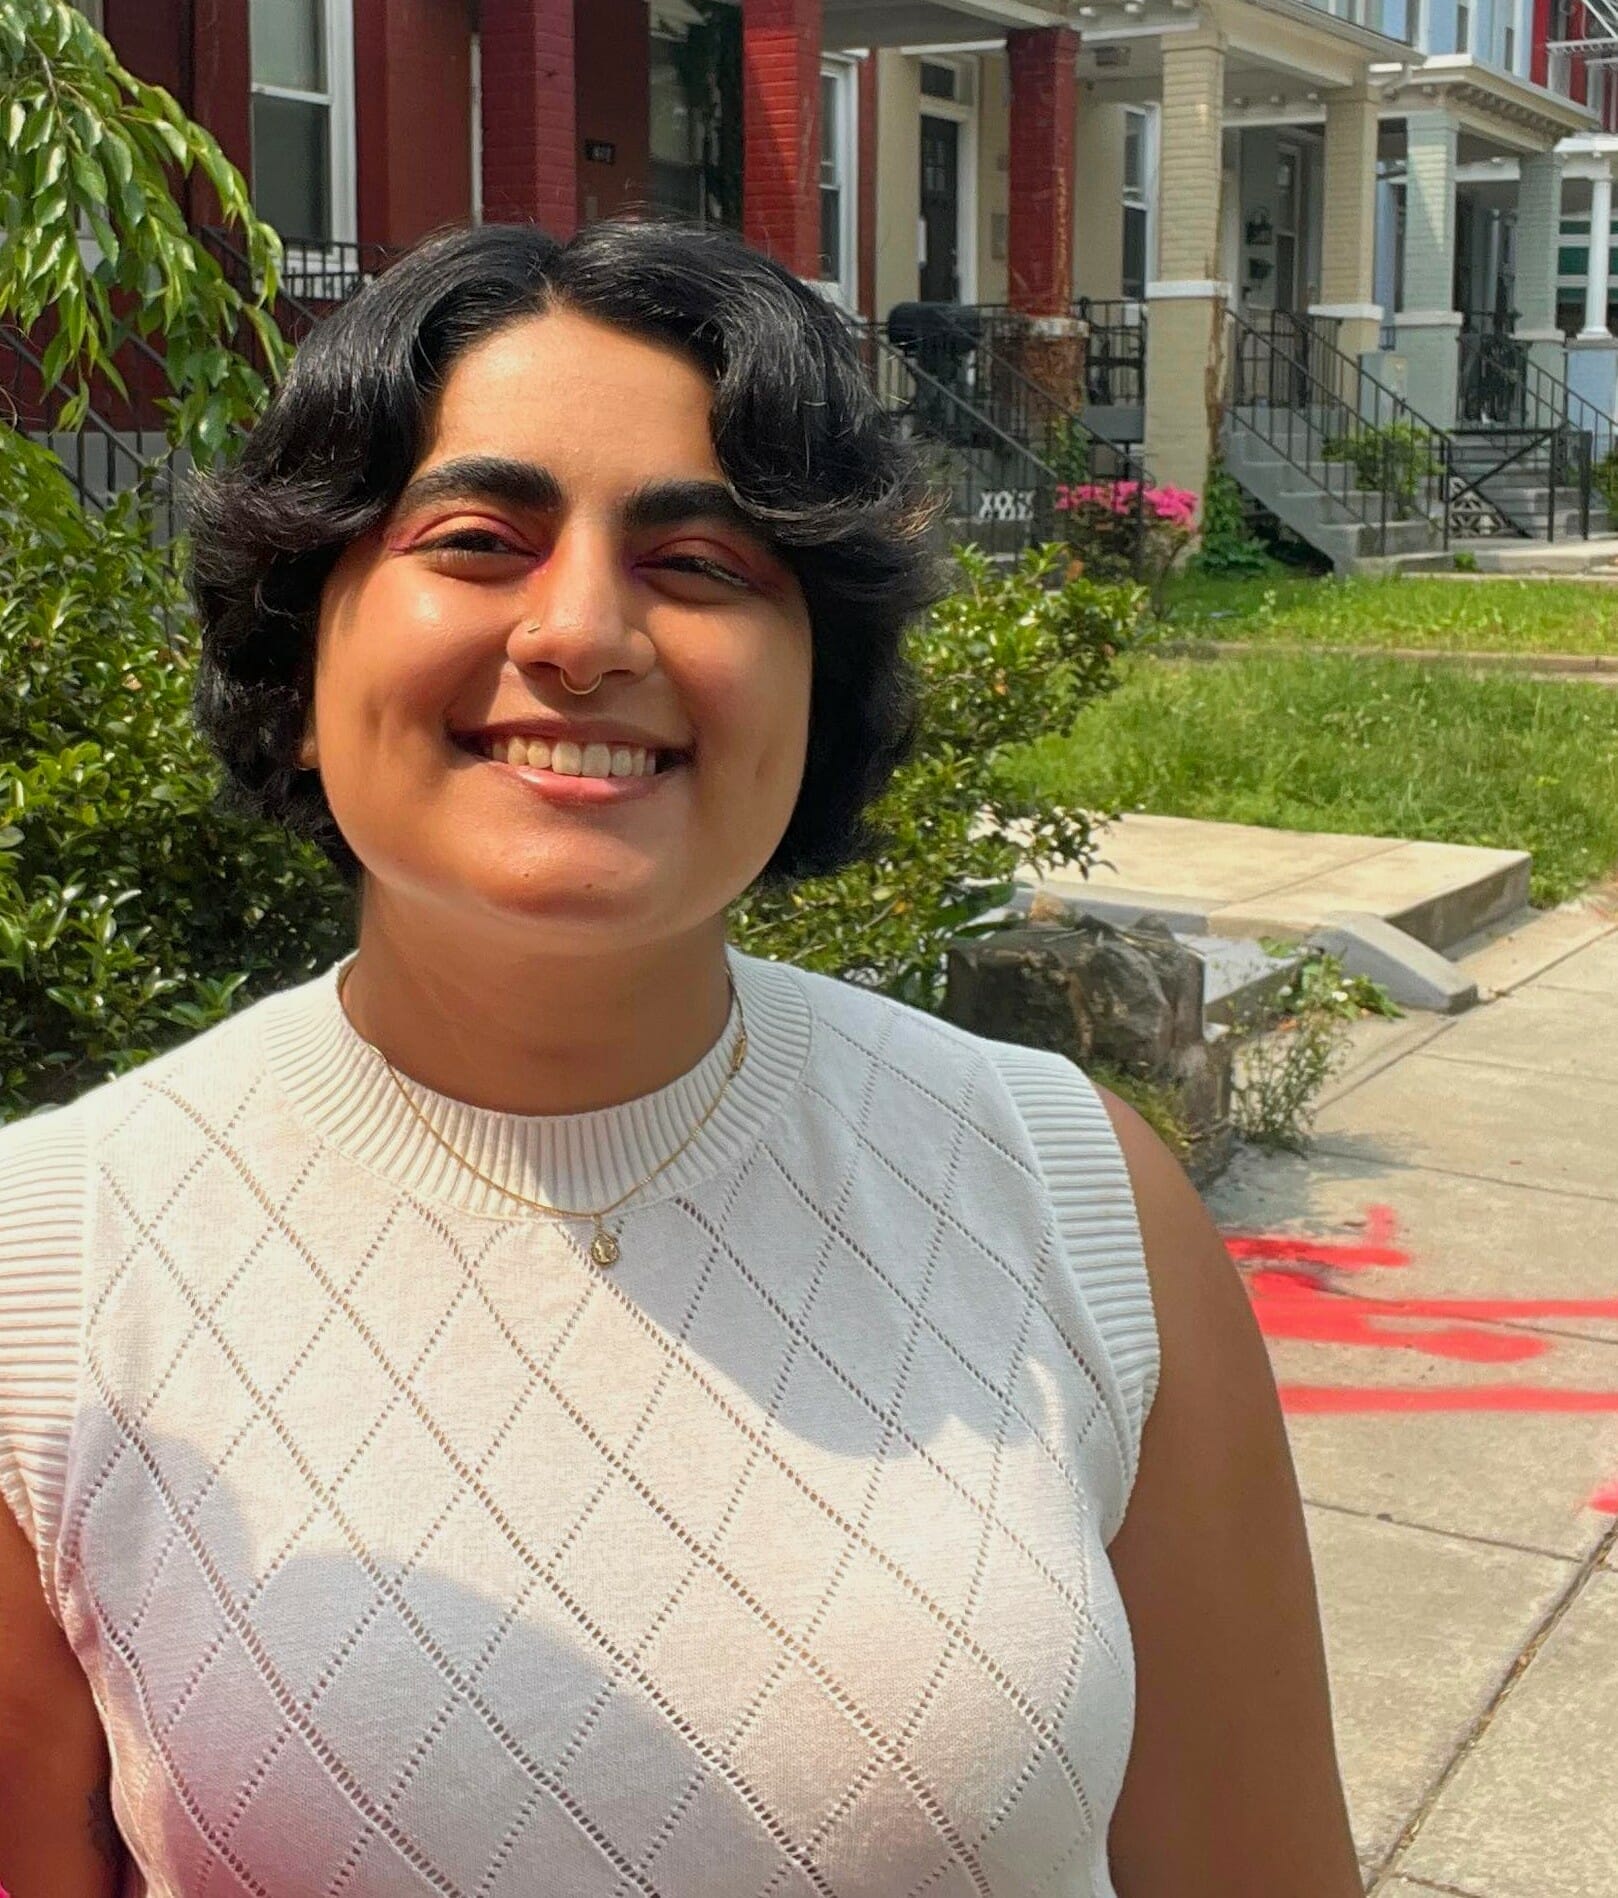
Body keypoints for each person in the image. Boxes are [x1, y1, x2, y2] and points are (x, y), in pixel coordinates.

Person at [0, 218, 1362, 1897]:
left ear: (817, 682)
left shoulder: (1069, 1194)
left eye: (701, 563)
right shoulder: (48, 1271)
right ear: (301, 648)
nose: (583, 631)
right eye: (478, 539)